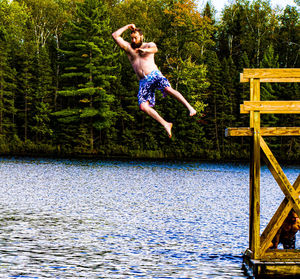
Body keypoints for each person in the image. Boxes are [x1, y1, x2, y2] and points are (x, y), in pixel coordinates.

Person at [112, 23, 197, 138]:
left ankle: (189, 107)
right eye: (132, 38)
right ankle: (166, 124)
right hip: (143, 82)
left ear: (141, 37)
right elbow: (115, 35)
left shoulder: (148, 45)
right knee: (143, 106)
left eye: (135, 37)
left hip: (155, 75)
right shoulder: (129, 48)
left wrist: (145, 51)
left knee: (167, 89)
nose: (133, 40)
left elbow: (155, 49)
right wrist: (127, 26)